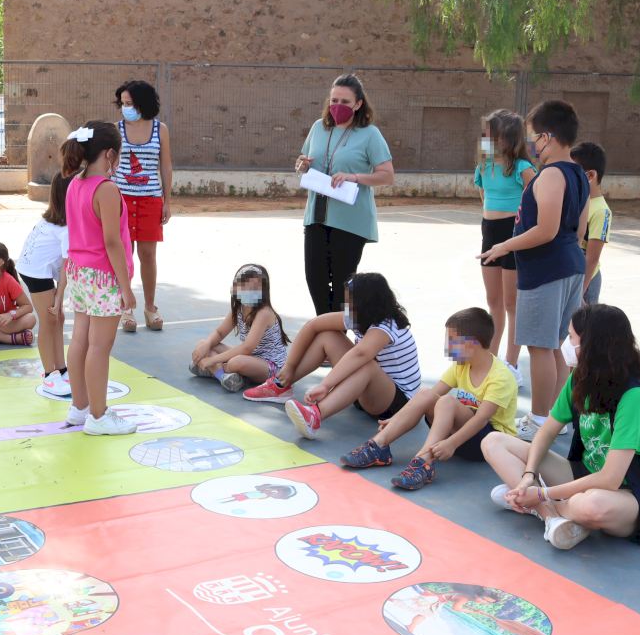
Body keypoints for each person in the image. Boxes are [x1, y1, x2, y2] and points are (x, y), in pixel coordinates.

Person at [482, 304, 640, 551]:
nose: (566, 343)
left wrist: (542, 494)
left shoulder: (636, 398)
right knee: (493, 442)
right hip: (584, 474)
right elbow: (547, 431)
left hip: (630, 493)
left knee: (593, 506)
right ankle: (552, 517)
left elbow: (610, 479)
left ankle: (540, 507)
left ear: (592, 345)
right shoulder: (581, 378)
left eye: (572, 337)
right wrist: (528, 475)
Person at [481, 99, 590, 440]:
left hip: (546, 270)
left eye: (533, 137)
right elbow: (580, 230)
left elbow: (547, 229)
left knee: (540, 347)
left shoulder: (552, 174)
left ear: (547, 137)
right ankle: (555, 417)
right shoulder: (579, 174)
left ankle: (540, 419)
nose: (530, 144)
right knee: (554, 345)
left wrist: (505, 246)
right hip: (568, 264)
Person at [341, 308, 518, 490]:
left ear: (472, 344)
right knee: (427, 393)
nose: (447, 347)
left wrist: (451, 443)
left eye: (452, 341)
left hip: (488, 443)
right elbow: (430, 396)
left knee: (447, 401)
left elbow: (481, 420)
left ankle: (424, 462)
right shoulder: (462, 365)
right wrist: (396, 420)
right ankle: (378, 446)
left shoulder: (500, 377)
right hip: (459, 435)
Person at [274, 273, 421, 440]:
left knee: (366, 365)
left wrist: (325, 385)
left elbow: (360, 354)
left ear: (366, 305)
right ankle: (280, 384)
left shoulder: (386, 326)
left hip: (396, 404)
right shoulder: (359, 317)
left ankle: (315, 416)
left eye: (350, 303)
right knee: (328, 336)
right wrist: (290, 366)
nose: (345, 306)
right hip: (367, 389)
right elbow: (313, 325)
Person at [294, 74, 395, 315]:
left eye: (345, 102)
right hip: (316, 217)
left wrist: (354, 177)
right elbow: (304, 159)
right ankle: (328, 333)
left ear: (358, 104)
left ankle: (335, 335)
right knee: (315, 282)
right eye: (334, 100)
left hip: (350, 222)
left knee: (342, 290)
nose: (337, 106)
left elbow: (387, 175)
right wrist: (301, 164)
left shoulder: (370, 134)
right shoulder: (318, 128)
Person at [62, 121, 138, 435]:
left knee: (80, 340)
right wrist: (126, 287)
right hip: (104, 278)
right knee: (99, 347)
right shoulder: (106, 189)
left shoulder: (74, 184)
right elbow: (112, 242)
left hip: (80, 273)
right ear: (109, 154)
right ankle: (98, 415)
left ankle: (79, 407)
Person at [474, 109, 536, 384]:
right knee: (493, 301)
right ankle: (491, 359)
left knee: (512, 303)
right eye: (486, 134)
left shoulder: (522, 168)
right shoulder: (483, 167)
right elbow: (484, 197)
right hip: (490, 233)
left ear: (509, 137)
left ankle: (511, 364)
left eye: (493, 134)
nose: (487, 139)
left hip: (514, 234)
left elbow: (535, 202)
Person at [114, 80, 174, 332]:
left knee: (148, 255)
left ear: (143, 103)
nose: (125, 108)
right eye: (123, 103)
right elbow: (109, 164)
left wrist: (167, 201)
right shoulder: (116, 129)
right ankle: (125, 308)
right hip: (121, 201)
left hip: (151, 200)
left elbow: (166, 166)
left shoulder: (160, 129)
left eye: (130, 103)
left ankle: (150, 308)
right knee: (123, 256)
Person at [189, 263, 290, 392]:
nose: (249, 292)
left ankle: (214, 371)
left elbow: (247, 348)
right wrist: (207, 344)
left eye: (254, 289)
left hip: (271, 366)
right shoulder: (239, 309)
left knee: (236, 362)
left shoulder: (264, 313)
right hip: (251, 357)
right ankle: (223, 376)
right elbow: (220, 333)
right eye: (244, 287)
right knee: (203, 344)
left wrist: (211, 360)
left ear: (263, 292)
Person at [17, 172, 73, 395]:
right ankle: (50, 376)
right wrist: (58, 298)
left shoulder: (55, 221)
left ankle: (62, 369)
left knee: (58, 318)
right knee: (49, 321)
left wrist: (58, 300)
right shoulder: (66, 229)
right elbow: (66, 267)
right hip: (35, 272)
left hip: (38, 269)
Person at [571, 142, 612, 305]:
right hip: (570, 276)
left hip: (586, 281)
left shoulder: (601, 211)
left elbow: (592, 258)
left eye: (574, 173)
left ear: (590, 176)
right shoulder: (576, 201)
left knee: (584, 321)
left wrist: (579, 291)